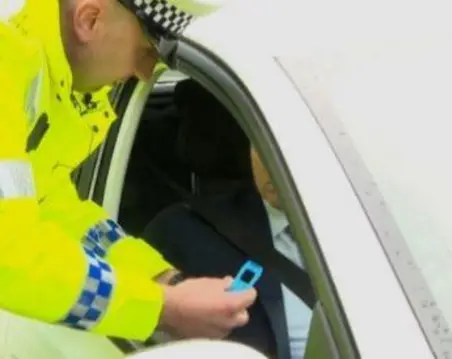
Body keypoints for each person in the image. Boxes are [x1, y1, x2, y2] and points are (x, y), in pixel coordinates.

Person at [0, 0, 256, 345]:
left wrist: (163, 279)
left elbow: (58, 211)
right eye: (146, 52)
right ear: (89, 19)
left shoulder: (41, 77)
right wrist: (163, 309)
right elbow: (10, 257)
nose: (146, 74)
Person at [143, 79, 312, 359]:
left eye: (287, 144)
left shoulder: (376, 230)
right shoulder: (183, 235)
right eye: (260, 142)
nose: (271, 161)